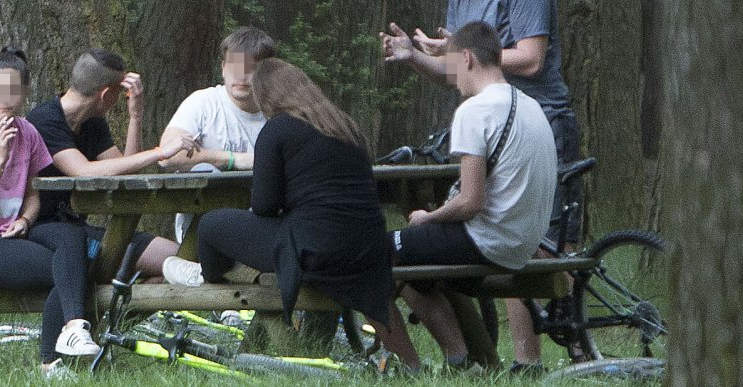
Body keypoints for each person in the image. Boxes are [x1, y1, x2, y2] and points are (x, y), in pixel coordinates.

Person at [381, 0, 580, 369]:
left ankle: (550, 354)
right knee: (487, 231)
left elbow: (529, 57)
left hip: (540, 120)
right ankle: (490, 357)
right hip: (487, 123)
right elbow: (461, 74)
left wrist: (470, 52)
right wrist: (417, 56)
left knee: (540, 243)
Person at [161, 58, 425, 372]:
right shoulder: (344, 125)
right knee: (366, 288)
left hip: (315, 249)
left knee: (212, 223)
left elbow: (263, 205)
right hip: (369, 245)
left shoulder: (279, 128)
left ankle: (207, 275)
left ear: (268, 97)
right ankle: (412, 366)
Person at [389, 22, 557, 371]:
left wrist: (427, 218)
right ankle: (477, 359)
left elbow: (471, 202)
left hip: (487, 241)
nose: (453, 79)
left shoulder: (475, 110)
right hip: (522, 243)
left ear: (465, 57)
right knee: (418, 255)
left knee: (383, 252)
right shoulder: (532, 107)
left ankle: (440, 362)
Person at [0, 48, 99, 375]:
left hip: (9, 234)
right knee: (66, 271)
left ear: (24, 93)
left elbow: (32, 194)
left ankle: (71, 334)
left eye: (13, 89)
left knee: (72, 245)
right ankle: (53, 358)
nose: (5, 98)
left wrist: (26, 219)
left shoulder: (28, 132)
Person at [26, 48, 197, 278]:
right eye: (121, 94)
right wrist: (160, 152)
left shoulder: (92, 120)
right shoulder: (44, 120)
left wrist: (135, 116)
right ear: (106, 95)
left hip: (76, 227)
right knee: (174, 264)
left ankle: (125, 312)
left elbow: (124, 172)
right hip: (42, 231)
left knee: (182, 256)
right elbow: (83, 171)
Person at [160, 27, 275, 246]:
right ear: (223, 68)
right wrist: (233, 159)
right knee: (205, 172)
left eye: (250, 68)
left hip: (262, 225)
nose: (241, 75)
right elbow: (168, 155)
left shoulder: (278, 113)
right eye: (235, 66)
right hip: (202, 228)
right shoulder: (203, 103)